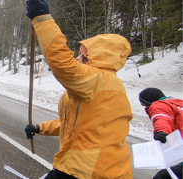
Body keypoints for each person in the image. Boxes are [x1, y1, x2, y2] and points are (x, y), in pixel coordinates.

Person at [24, 0, 134, 178]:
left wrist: (41, 18)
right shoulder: (110, 84)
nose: (77, 57)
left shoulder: (96, 80)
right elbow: (77, 124)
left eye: (81, 54)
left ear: (91, 56)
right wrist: (39, 127)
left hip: (85, 170)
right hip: (111, 171)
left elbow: (60, 61)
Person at [139, 88, 182, 179]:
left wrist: (161, 131)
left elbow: (162, 117)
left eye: (144, 105)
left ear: (148, 102)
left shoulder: (159, 105)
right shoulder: (178, 104)